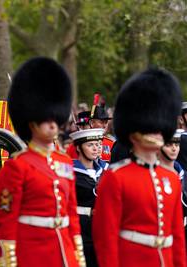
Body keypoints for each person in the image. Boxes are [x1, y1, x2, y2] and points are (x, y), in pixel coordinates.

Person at [0, 57, 85, 267]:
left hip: (65, 255)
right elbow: (6, 222)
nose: (53, 125)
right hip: (32, 256)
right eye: (46, 119)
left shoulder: (65, 163)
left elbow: (72, 216)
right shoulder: (17, 166)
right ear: (31, 122)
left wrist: (78, 258)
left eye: (55, 119)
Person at [92, 68, 186, 267]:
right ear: (133, 133)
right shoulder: (116, 178)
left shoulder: (170, 178)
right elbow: (106, 241)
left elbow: (177, 239)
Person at [70, 128, 105, 267]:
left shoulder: (105, 170)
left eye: (97, 144)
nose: (95, 148)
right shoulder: (70, 170)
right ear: (78, 148)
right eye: (90, 145)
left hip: (100, 227)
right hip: (80, 227)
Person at [88, 94, 114, 162]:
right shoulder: (80, 145)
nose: (105, 125)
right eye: (102, 122)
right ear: (92, 123)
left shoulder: (111, 144)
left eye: (106, 122)